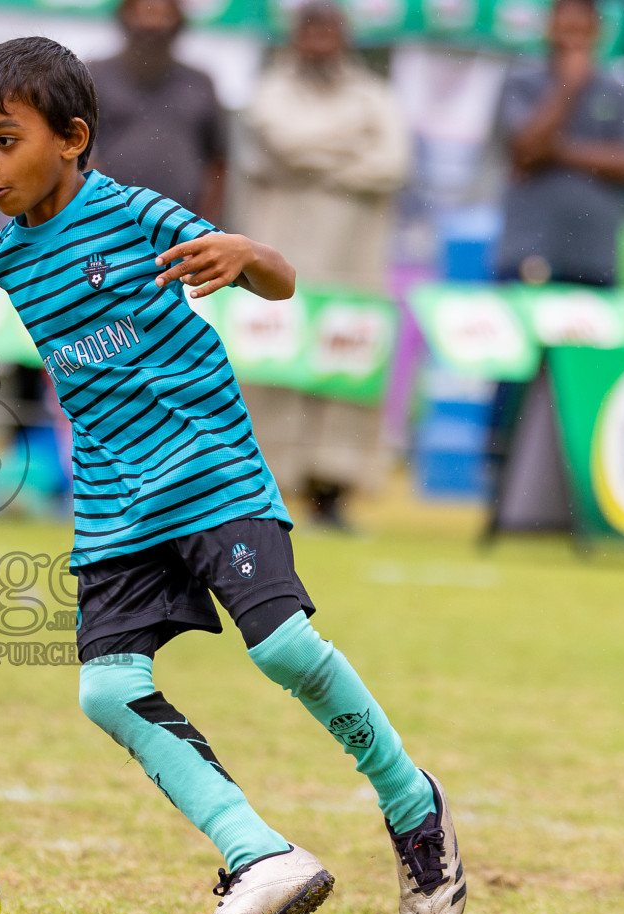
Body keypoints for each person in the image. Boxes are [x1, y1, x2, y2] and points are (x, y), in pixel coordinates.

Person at [0, 36, 465, 914]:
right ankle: (259, 855)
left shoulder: (135, 212)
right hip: (113, 503)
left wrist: (245, 253)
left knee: (283, 649)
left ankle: (411, 804)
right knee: (106, 692)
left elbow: (283, 281)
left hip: (211, 470)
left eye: (1, 140)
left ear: (72, 138)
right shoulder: (5, 261)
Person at [239, 0, 410, 529]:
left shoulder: (373, 95)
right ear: (294, 38)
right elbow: (280, 142)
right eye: (309, 32)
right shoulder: (271, 89)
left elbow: (393, 163)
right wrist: (349, 145)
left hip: (351, 260)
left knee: (343, 368)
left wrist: (313, 156)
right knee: (271, 369)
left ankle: (331, 494)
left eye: (328, 32)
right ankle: (261, 494)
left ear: (344, 38)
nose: (318, 42)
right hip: (280, 260)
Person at [494, 0, 624, 287]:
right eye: (565, 30)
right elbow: (524, 151)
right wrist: (569, 87)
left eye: (580, 31)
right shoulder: (521, 82)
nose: (572, 41)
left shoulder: (622, 88)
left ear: (598, 32)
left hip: (595, 259)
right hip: (528, 252)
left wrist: (557, 151)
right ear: (548, 29)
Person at [88, 0, 225, 221]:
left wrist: (206, 221)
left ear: (178, 22)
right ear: (125, 17)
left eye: (163, 15)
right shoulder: (95, 76)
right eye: (143, 13)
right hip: (108, 220)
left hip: (181, 223)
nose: (152, 24)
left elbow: (218, 161)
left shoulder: (199, 82)